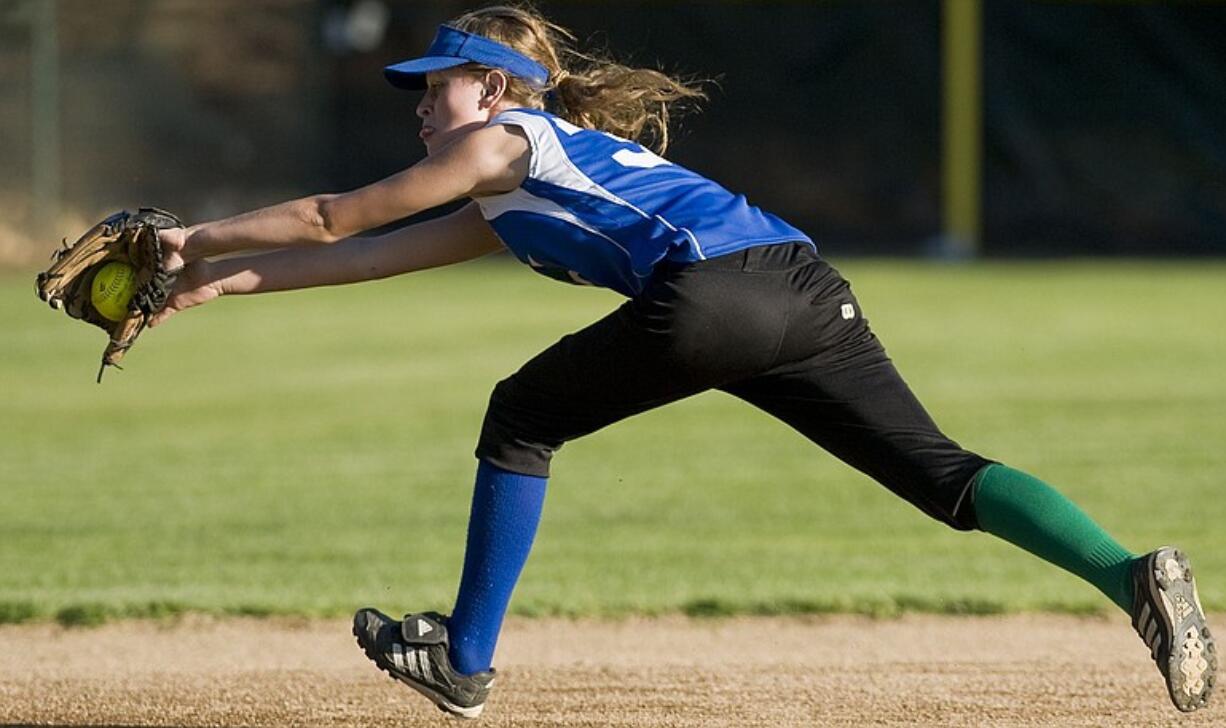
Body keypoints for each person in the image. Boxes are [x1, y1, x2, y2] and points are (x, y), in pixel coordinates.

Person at [152, 3, 1215, 719]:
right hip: (798, 283)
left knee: (521, 415)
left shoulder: (504, 140)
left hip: (713, 290)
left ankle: (463, 660)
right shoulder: (517, 188)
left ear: (493, 86)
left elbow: (335, 214)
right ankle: (1130, 574)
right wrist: (209, 284)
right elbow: (362, 255)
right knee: (938, 470)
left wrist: (191, 234)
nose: (421, 105)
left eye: (435, 86)